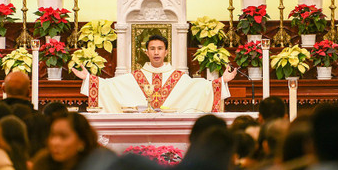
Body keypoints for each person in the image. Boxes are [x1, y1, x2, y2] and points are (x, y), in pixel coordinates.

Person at [71, 34, 236, 113]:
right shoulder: (134, 77)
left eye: (160, 48)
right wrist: (89, 78)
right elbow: (110, 86)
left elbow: (200, 88)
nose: (156, 52)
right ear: (146, 52)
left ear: (166, 51)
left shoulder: (179, 77)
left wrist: (222, 80)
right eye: (152, 49)